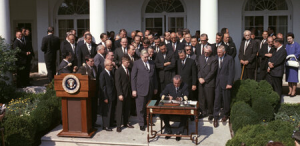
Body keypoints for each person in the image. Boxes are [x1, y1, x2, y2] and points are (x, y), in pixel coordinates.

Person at [131, 49, 158, 131]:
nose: (147, 58)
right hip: (140, 89)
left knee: (149, 106)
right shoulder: (136, 63)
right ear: (141, 56)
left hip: (150, 89)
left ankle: (148, 121)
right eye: (145, 57)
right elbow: (133, 77)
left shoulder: (152, 63)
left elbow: (155, 76)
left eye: (147, 57)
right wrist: (134, 89)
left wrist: (155, 87)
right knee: (140, 107)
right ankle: (141, 123)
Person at [160, 75, 189, 141]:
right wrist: (167, 97)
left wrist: (181, 98)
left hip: (180, 110)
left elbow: (186, 95)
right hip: (170, 109)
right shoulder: (169, 86)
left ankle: (179, 132)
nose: (176, 85)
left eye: (178, 83)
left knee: (186, 115)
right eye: (175, 83)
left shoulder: (185, 86)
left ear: (180, 82)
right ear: (173, 82)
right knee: (162, 114)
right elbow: (161, 94)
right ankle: (168, 130)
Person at [214, 45, 235, 128]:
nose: (218, 54)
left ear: (224, 52)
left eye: (220, 52)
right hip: (217, 83)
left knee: (226, 100)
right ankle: (215, 117)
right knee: (217, 100)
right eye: (217, 52)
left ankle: (226, 115)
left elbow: (231, 71)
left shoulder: (229, 59)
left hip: (226, 83)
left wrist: (230, 83)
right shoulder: (215, 58)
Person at [77, 56, 99, 127]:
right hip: (87, 91)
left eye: (93, 61)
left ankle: (94, 122)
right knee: (89, 108)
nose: (93, 62)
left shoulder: (94, 67)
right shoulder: (83, 68)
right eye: (91, 61)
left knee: (94, 107)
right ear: (87, 61)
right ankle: (89, 123)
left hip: (94, 90)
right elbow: (78, 77)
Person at [197, 45, 218, 120]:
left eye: (207, 52)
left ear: (211, 52)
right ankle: (203, 112)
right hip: (201, 81)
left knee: (209, 98)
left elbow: (212, 72)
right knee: (201, 98)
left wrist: (205, 79)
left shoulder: (214, 59)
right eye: (205, 52)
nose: (206, 54)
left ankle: (210, 113)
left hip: (209, 82)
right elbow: (198, 68)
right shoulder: (200, 57)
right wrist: (199, 77)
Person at [115, 56, 134, 132]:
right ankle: (118, 125)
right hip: (122, 93)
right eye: (127, 62)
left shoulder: (128, 70)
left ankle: (126, 122)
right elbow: (117, 83)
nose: (128, 64)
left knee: (127, 109)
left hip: (128, 93)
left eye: (129, 62)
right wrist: (120, 94)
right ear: (123, 61)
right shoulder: (118, 71)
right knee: (120, 110)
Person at [100, 59, 117, 131]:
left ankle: (110, 123)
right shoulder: (103, 74)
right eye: (110, 65)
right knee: (106, 111)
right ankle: (106, 125)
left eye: (112, 65)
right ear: (105, 66)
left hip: (112, 95)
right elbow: (102, 86)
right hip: (107, 96)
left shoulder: (111, 73)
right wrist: (105, 97)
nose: (111, 66)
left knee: (111, 110)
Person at [285, 32, 300, 97]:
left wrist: (292, 56)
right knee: (289, 78)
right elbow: (285, 53)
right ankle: (290, 90)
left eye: (290, 38)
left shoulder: (296, 45)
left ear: (293, 38)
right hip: (288, 64)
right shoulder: (286, 45)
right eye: (288, 39)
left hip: (293, 64)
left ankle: (294, 91)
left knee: (294, 79)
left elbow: (298, 53)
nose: (289, 40)